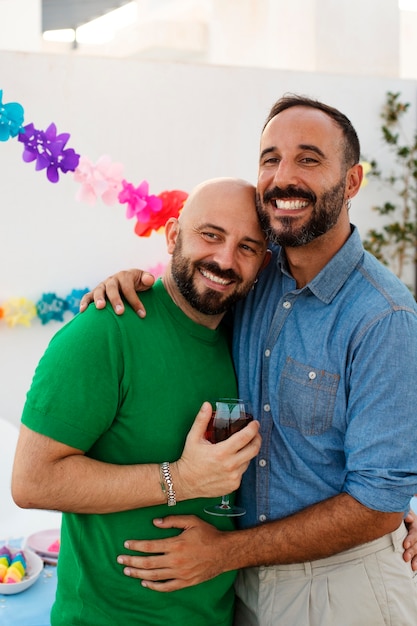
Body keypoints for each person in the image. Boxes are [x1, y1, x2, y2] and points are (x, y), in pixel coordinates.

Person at [81, 95, 417, 626]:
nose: (283, 177)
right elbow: (193, 277)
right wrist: (130, 282)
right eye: (269, 158)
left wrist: (224, 553)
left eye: (308, 159)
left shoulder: (384, 316)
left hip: (340, 587)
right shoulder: (252, 273)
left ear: (351, 183)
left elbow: (377, 504)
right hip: (241, 585)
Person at [11, 177, 271, 626]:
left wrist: (385, 510)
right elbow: (32, 481)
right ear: (173, 235)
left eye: (247, 247)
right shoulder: (105, 331)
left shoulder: (246, 339)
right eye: (210, 235)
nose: (225, 259)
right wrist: (180, 480)